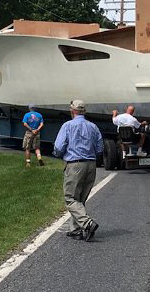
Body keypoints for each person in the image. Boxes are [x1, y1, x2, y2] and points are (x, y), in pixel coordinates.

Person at [53, 100, 104, 241]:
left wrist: (58, 154)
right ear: (84, 111)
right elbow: (100, 148)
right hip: (91, 164)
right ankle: (75, 229)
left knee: (70, 198)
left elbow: (58, 147)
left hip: (75, 164)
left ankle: (87, 224)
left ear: (72, 110)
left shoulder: (67, 126)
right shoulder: (93, 127)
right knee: (81, 199)